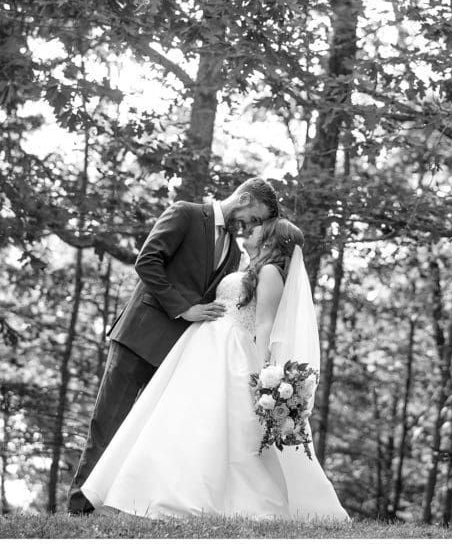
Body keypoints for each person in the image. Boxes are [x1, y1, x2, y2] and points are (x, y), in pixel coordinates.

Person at [78, 218, 349, 521]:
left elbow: (264, 323)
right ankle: (148, 492)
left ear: (271, 238)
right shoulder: (248, 266)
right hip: (203, 345)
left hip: (231, 351)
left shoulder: (270, 272)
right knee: (182, 420)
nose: (253, 228)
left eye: (260, 226)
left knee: (214, 425)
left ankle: (200, 497)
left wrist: (262, 377)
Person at [67, 177, 279, 515]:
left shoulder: (235, 252)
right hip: (141, 337)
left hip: (179, 354)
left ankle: (122, 504)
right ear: (245, 199)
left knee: (150, 432)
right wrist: (184, 308)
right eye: (256, 216)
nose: (254, 225)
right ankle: (80, 506)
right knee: (108, 423)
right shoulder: (186, 214)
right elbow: (147, 261)